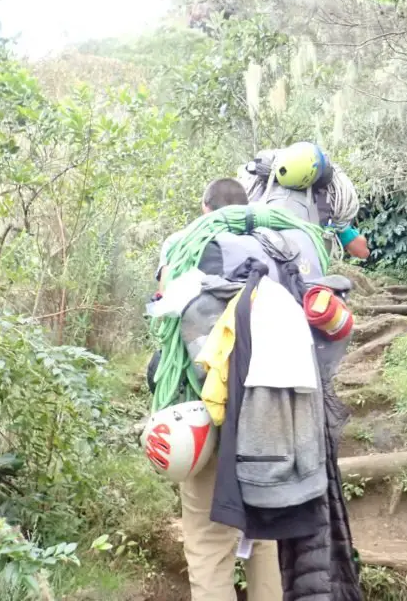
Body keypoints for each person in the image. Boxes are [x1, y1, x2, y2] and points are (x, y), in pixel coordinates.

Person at [153, 177, 284, 601]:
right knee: (264, 538)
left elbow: (166, 320)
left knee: (209, 545)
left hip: (211, 415)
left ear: (204, 209)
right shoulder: (275, 248)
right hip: (273, 417)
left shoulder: (185, 247)